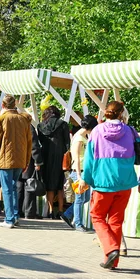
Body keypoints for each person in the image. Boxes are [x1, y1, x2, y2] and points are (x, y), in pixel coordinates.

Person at [82, 101, 137, 269]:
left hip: (103, 183)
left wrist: (86, 179)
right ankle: (112, 261)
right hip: (125, 182)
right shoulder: (130, 131)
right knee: (116, 220)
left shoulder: (97, 131)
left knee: (97, 216)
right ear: (121, 114)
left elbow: (89, 159)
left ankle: (111, 248)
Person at [0, 95, 32, 228]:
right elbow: (29, 142)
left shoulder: (0, 119)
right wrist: (26, 161)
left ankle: (9, 219)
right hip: (19, 160)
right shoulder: (23, 119)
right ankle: (15, 216)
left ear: (3, 105)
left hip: (5, 159)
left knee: (7, 189)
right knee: (13, 188)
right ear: (15, 105)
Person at [61, 115, 98, 232]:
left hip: (84, 171)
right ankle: (78, 223)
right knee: (79, 199)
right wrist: (78, 176)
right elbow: (76, 158)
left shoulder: (84, 137)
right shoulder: (78, 139)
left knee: (84, 198)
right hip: (79, 171)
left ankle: (68, 214)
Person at [37, 106, 70, 219]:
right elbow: (67, 143)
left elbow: (40, 141)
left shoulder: (40, 126)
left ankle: (50, 211)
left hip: (46, 156)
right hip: (60, 156)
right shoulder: (63, 124)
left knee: (49, 185)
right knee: (60, 185)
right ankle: (60, 211)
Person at [16, 124, 44, 219]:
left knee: (19, 185)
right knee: (30, 186)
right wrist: (37, 161)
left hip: (16, 160)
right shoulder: (28, 127)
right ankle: (29, 212)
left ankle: (17, 210)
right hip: (28, 160)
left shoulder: (15, 126)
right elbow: (34, 146)